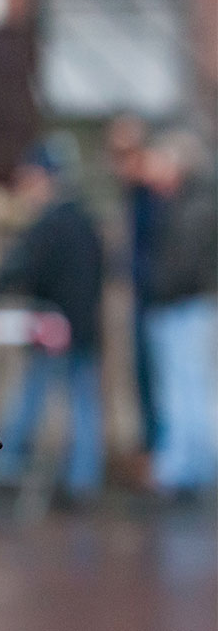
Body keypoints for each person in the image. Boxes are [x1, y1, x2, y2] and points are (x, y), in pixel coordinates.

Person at [0, 136, 105, 500]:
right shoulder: (84, 221)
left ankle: (7, 472)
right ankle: (83, 480)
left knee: (32, 398)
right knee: (82, 403)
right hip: (81, 328)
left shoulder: (51, 223)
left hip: (55, 328)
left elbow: (23, 267)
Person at [141, 130, 218, 497]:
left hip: (184, 305)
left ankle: (189, 470)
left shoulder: (193, 205)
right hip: (183, 304)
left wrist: (162, 290)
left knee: (187, 390)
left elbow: (183, 263)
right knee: (186, 388)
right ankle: (188, 468)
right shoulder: (184, 202)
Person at [107, 115, 163, 456]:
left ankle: (160, 453)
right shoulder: (131, 195)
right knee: (142, 378)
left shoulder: (155, 195)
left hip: (158, 297)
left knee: (160, 378)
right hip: (142, 295)